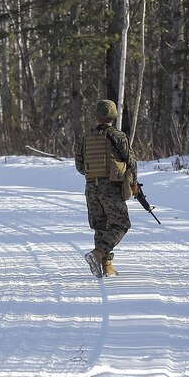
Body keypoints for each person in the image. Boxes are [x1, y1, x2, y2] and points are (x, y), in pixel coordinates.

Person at [75, 99, 137, 278]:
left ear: (97, 116)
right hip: (111, 187)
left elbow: (80, 166)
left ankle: (106, 267)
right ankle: (99, 254)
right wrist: (133, 183)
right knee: (121, 224)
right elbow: (131, 163)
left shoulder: (85, 138)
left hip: (91, 187)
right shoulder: (118, 136)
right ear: (113, 116)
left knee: (100, 226)